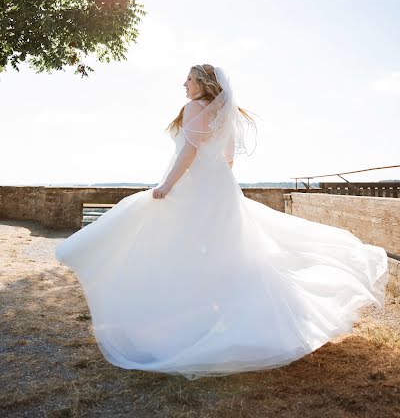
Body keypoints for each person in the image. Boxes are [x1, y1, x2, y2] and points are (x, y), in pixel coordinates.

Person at [55, 64, 389, 381]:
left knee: (174, 245)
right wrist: (218, 186)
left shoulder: (194, 109)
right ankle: (215, 321)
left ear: (202, 83)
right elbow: (228, 159)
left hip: (199, 187)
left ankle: (183, 323)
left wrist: (167, 186)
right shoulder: (223, 113)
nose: (183, 85)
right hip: (222, 188)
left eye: (188, 79)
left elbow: (187, 152)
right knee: (226, 253)